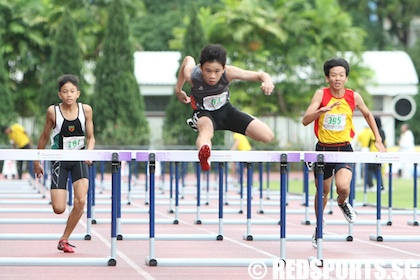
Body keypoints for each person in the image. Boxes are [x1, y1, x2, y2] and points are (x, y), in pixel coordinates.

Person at [301, 58, 386, 249]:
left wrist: (378, 139)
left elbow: (367, 115)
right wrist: (321, 110)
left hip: (344, 148)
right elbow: (305, 120)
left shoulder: (353, 96)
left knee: (343, 186)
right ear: (327, 77)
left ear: (346, 77)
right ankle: (319, 226)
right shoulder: (320, 94)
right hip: (323, 149)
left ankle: (342, 202)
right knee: (322, 191)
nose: (337, 79)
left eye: (341, 75)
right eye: (333, 75)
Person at [175, 44, 274, 171]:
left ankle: (249, 120)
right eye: (208, 70)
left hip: (226, 111)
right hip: (204, 113)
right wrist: (178, 90)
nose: (212, 76)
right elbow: (188, 59)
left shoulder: (229, 72)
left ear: (223, 68)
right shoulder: (193, 75)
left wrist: (268, 81)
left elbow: (260, 75)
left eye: (217, 71)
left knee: (267, 136)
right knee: (205, 130)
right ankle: (205, 156)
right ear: (201, 68)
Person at [33, 74, 95, 253]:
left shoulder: (86, 110)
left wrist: (89, 152)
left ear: (78, 93)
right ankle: (63, 201)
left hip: (79, 159)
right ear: (59, 95)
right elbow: (44, 136)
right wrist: (37, 160)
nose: (69, 94)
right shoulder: (53, 111)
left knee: (81, 201)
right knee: (59, 208)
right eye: (65, 92)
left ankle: (64, 238)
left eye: (72, 91)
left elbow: (91, 137)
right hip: (59, 160)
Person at [366, 116, 386, 191]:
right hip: (379, 152)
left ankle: (370, 185)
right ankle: (381, 186)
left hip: (372, 153)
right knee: (378, 170)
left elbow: (368, 143)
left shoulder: (372, 132)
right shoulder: (382, 132)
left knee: (369, 170)